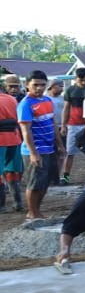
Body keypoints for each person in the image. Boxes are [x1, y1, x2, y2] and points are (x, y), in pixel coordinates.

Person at [17, 70, 58, 220]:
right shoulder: (25, 104)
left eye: (42, 84)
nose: (39, 88)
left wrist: (59, 145)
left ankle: (37, 211)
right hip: (34, 150)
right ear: (27, 85)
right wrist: (33, 153)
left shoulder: (47, 100)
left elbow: (53, 124)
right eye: (35, 85)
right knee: (34, 183)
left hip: (49, 148)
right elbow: (25, 131)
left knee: (45, 182)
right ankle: (32, 212)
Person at [60, 67, 85, 184]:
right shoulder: (70, 90)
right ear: (76, 78)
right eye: (81, 80)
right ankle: (66, 177)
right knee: (70, 152)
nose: (83, 83)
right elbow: (66, 108)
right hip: (73, 125)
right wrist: (63, 125)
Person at [0, 78, 25, 213]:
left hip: (1, 139)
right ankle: (18, 203)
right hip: (14, 139)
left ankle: (1, 206)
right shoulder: (11, 99)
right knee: (12, 171)